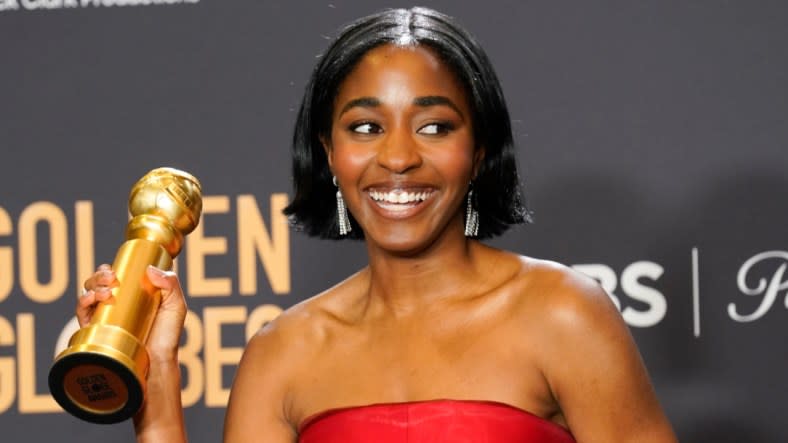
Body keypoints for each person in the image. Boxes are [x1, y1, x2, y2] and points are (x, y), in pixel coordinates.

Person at [79, 7, 678, 443]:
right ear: (328, 152)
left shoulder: (564, 314)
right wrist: (154, 392)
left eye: (435, 126)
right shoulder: (282, 353)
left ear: (481, 152)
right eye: (365, 127)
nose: (396, 157)